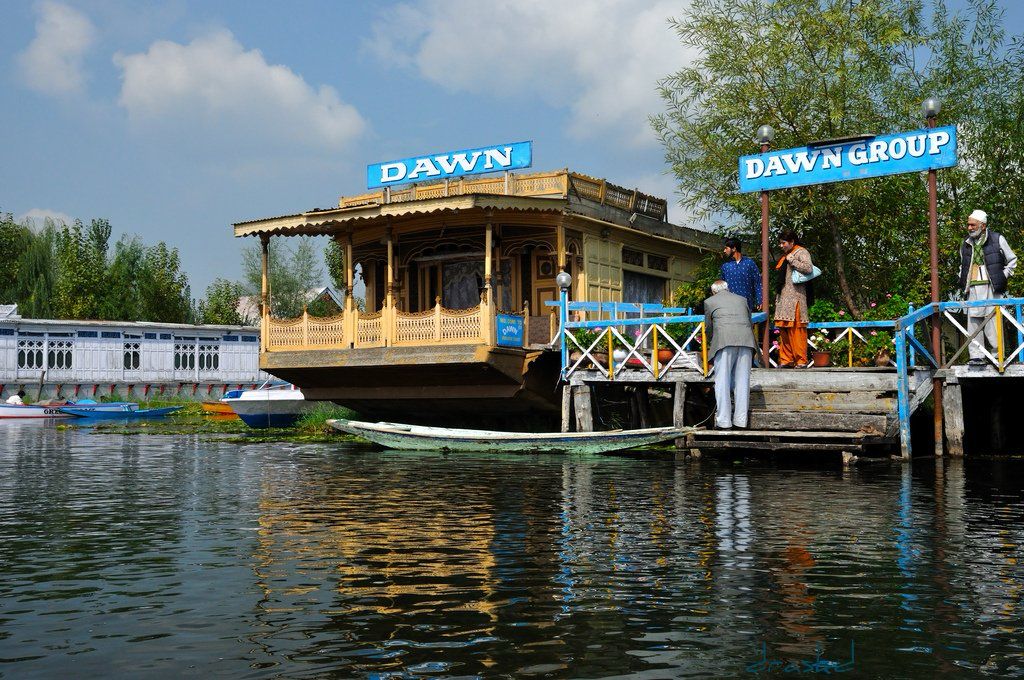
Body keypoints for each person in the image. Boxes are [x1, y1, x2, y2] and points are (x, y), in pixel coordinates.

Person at [958, 209, 1017, 365]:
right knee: (973, 321)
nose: (969, 227)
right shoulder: (966, 243)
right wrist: (962, 278)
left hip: (991, 286)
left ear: (982, 226)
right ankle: (976, 356)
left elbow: (1012, 260)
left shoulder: (997, 239)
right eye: (968, 224)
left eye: (972, 225)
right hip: (972, 287)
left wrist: (1002, 276)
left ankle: (997, 355)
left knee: (992, 320)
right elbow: (962, 265)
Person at [704, 279, 758, 429]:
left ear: (714, 291)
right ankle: (741, 421)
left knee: (722, 381)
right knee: (742, 381)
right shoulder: (742, 299)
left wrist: (711, 343)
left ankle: (724, 422)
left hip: (724, 341)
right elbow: (748, 321)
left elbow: (708, 328)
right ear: (727, 288)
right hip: (746, 340)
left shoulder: (709, 301)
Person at [774, 231, 814, 368]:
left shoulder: (801, 252)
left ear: (792, 242)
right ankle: (787, 360)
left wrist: (792, 260)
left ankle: (801, 361)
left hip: (796, 298)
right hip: (783, 298)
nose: (781, 245)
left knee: (797, 330)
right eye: (780, 243)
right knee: (784, 330)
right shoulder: (786, 255)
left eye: (783, 243)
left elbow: (809, 268)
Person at [720, 237, 763, 312]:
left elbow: (758, 282)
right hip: (730, 307)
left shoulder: (749, 263)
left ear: (734, 249)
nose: (724, 251)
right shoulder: (725, 266)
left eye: (726, 248)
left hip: (747, 306)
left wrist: (759, 299)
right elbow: (722, 287)